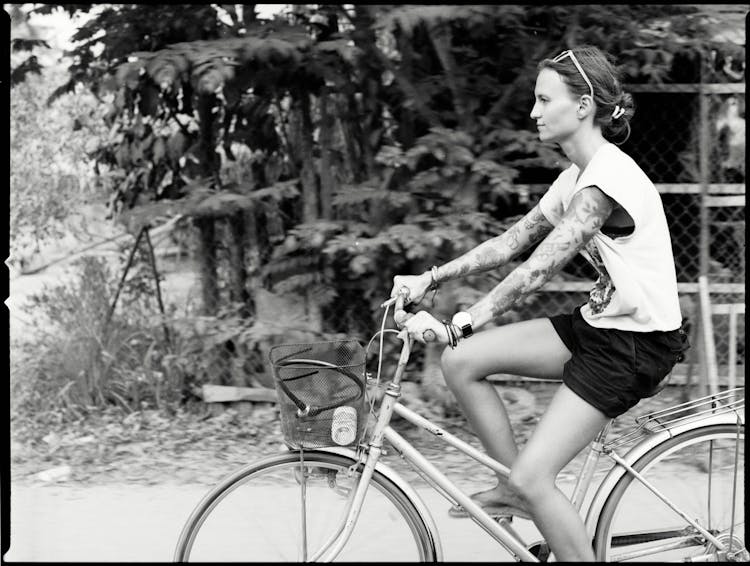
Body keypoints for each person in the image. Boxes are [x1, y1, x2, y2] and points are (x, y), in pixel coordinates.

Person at [389, 45, 689, 562]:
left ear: (583, 105)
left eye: (542, 99)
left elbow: (536, 269)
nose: (533, 112)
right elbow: (510, 244)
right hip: (600, 326)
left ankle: (527, 488)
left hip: (635, 346)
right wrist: (430, 277)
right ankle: (514, 490)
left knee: (537, 474)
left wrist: (463, 320)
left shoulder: (606, 182)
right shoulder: (574, 176)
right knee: (462, 361)